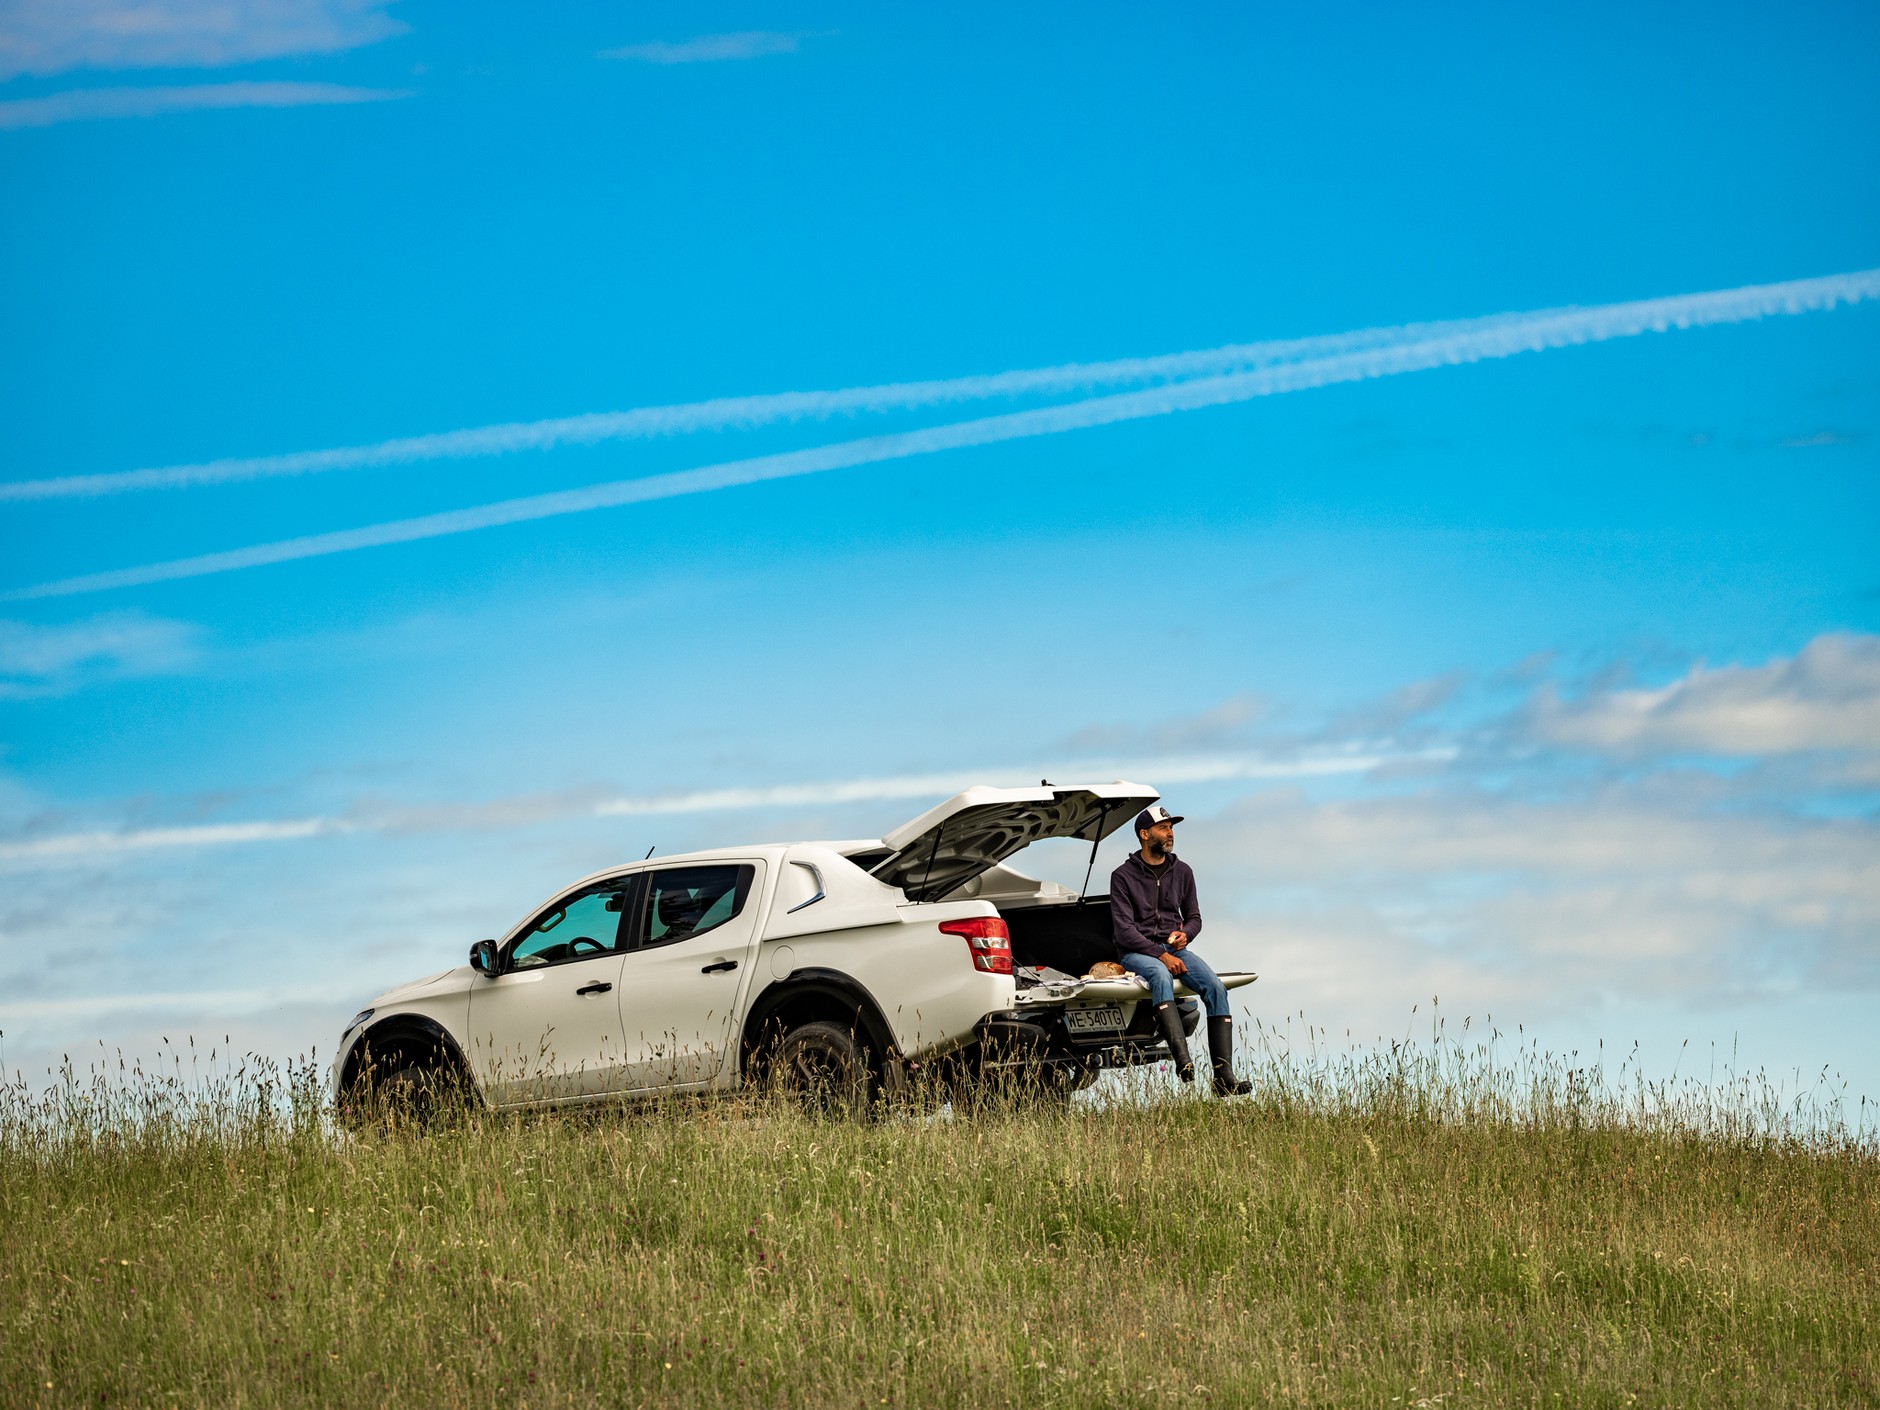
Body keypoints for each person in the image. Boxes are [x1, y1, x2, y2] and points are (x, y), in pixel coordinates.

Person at [1108, 805, 1251, 1096]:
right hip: (1137, 952)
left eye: (1171, 827)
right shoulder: (1122, 876)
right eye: (1163, 828)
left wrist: (1184, 935)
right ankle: (1182, 1059)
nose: (1170, 833)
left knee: (1215, 986)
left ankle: (1223, 1076)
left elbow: (1195, 918)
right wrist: (1160, 955)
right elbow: (1124, 931)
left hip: (1174, 950)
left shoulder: (1183, 871)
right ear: (1144, 834)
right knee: (1160, 976)